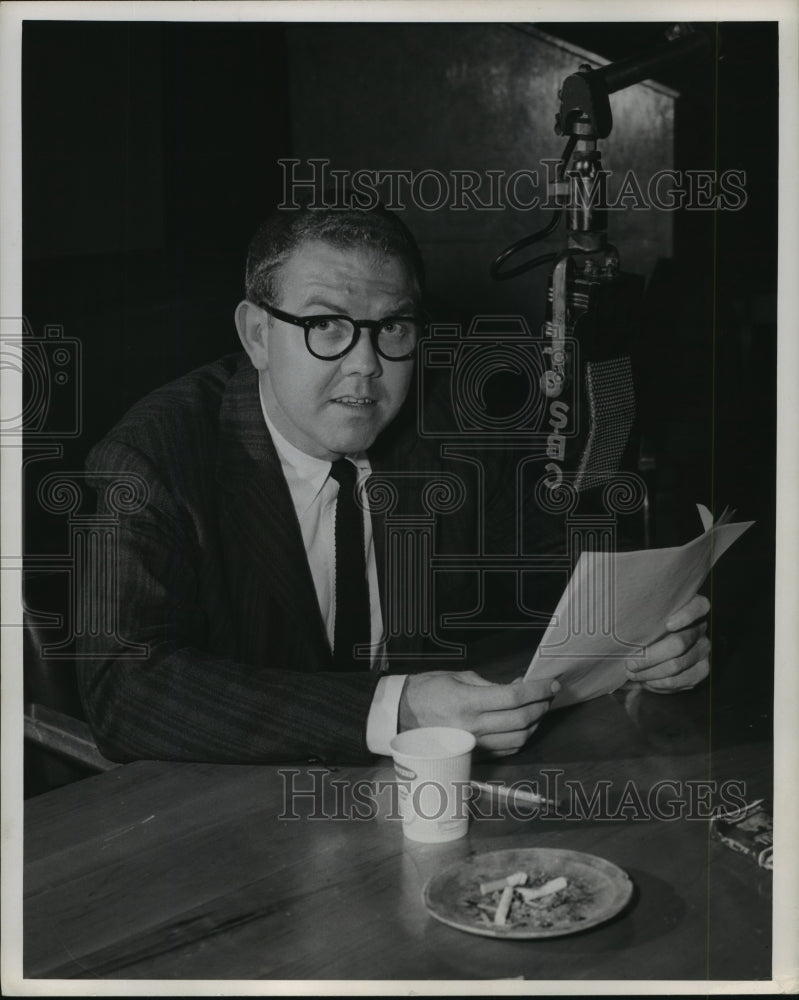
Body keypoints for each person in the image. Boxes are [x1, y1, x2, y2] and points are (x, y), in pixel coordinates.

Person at [77, 204, 711, 765]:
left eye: (394, 328)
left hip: (428, 791)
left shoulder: (457, 423)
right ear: (257, 334)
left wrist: (647, 638)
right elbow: (125, 692)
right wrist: (395, 708)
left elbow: (557, 577)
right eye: (326, 325)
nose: (365, 364)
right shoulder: (150, 462)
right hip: (228, 814)